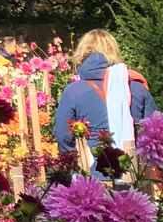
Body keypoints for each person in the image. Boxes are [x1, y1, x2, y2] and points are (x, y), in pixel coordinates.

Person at [53, 28, 156, 163]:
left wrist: (78, 163)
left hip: (92, 175)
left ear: (83, 54)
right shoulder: (135, 86)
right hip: (134, 171)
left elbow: (63, 135)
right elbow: (155, 131)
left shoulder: (74, 91)